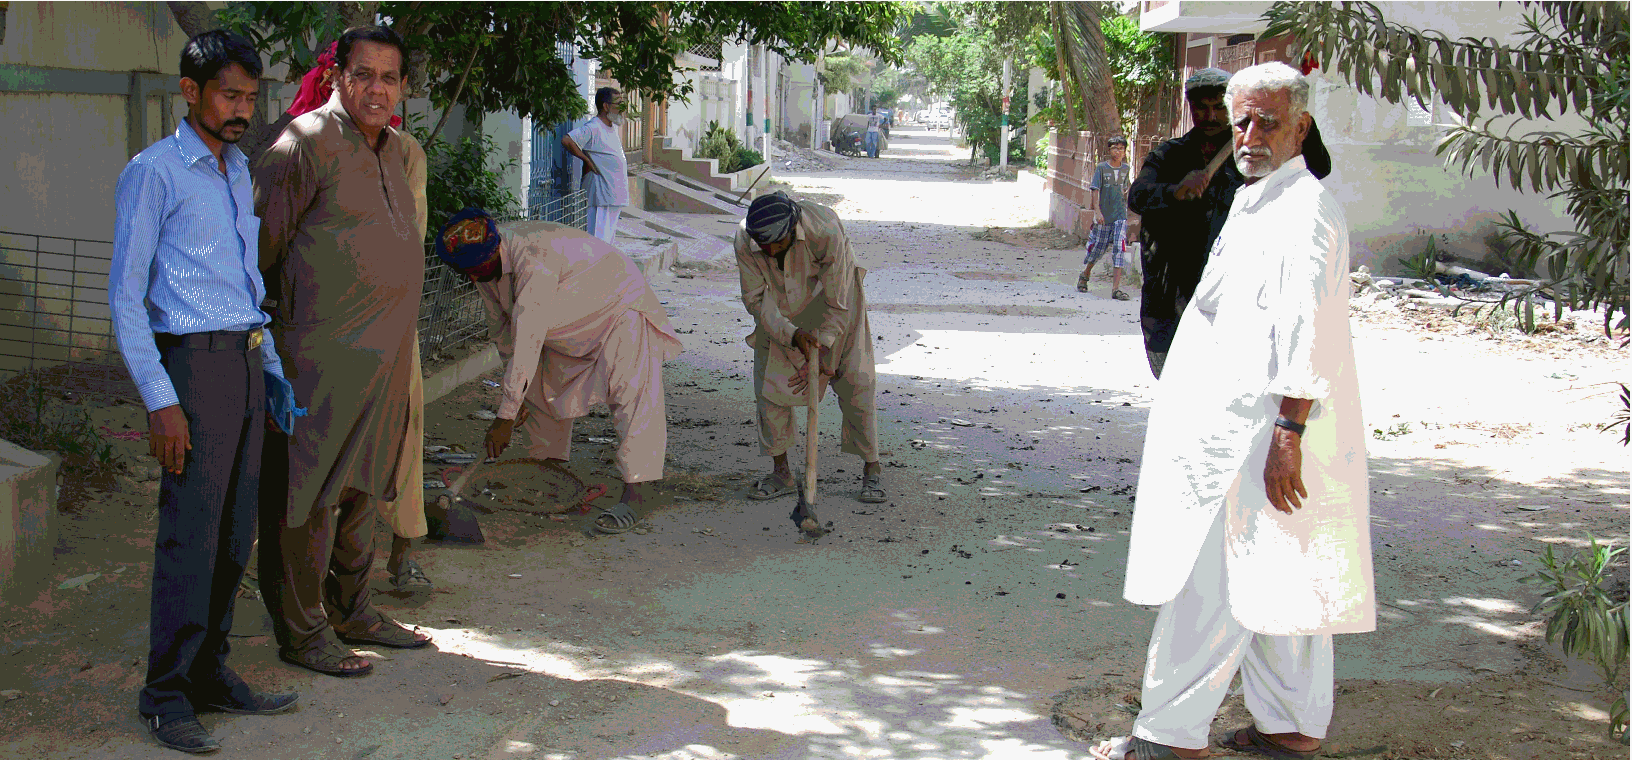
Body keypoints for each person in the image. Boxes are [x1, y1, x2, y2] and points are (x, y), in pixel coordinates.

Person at [1090, 62, 1373, 760]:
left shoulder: (1303, 211)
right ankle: (1290, 728)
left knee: (1210, 582)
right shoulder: (1263, 198)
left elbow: (1312, 326)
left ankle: (1166, 737)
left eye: (1265, 122)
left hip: (1259, 436)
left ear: (1300, 127)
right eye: (1241, 120)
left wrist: (1288, 431)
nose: (1247, 135)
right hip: (1247, 427)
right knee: (1282, 578)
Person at [109, 29, 299, 753]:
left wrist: (272, 369)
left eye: (250, 97)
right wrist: (160, 398)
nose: (241, 108)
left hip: (245, 364)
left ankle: (210, 673)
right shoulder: (153, 173)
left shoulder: (236, 169)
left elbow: (246, 285)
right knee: (190, 534)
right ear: (190, 92)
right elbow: (126, 297)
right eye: (229, 94)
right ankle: (164, 695)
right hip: (191, 368)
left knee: (233, 532)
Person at [252, 24, 432, 680]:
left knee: (363, 493)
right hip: (315, 363)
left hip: (384, 365)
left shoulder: (396, 151)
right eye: (363, 75)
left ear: (404, 88)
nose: (376, 89)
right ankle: (303, 632)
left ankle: (353, 609)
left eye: (389, 78)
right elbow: (257, 253)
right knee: (306, 498)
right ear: (337, 77)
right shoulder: (304, 145)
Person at [433, 209, 683, 534]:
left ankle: (638, 492)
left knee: (632, 396)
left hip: (617, 311)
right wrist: (514, 399)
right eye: (461, 271)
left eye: (471, 269)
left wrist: (504, 418)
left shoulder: (532, 254)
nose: (468, 277)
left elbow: (529, 330)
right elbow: (504, 335)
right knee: (536, 388)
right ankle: (549, 472)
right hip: (569, 324)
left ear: (493, 250)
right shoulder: (483, 270)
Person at [735, 192, 886, 509]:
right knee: (771, 388)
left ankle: (872, 467)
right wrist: (792, 336)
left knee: (856, 380)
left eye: (776, 245)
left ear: (792, 231)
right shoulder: (745, 238)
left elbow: (839, 302)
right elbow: (756, 300)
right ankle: (781, 473)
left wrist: (824, 352)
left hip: (836, 304)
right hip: (779, 312)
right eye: (763, 246)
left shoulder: (826, 229)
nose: (769, 252)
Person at [1127, 68, 1243, 379]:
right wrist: (1174, 191)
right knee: (1176, 383)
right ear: (1190, 108)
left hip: (1232, 293)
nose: (1210, 116)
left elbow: (1318, 166)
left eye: (1219, 107)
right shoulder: (1169, 155)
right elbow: (1137, 196)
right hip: (1173, 293)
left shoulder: (1248, 157)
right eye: (1201, 108)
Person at [562, 87, 630, 243]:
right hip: (602, 197)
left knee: (607, 243)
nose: (622, 108)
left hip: (613, 196)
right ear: (606, 106)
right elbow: (567, 140)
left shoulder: (611, 127)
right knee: (598, 242)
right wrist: (586, 160)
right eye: (618, 103)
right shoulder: (594, 127)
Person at [1077, 136, 1133, 301]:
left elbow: (1126, 189)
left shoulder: (1125, 169)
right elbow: (1095, 189)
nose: (1118, 151)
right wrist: (1097, 211)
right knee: (1098, 248)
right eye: (1115, 148)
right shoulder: (1102, 168)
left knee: (1119, 248)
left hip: (1120, 216)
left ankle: (1116, 289)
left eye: (1121, 148)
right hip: (1104, 216)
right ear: (1109, 150)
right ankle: (1085, 274)